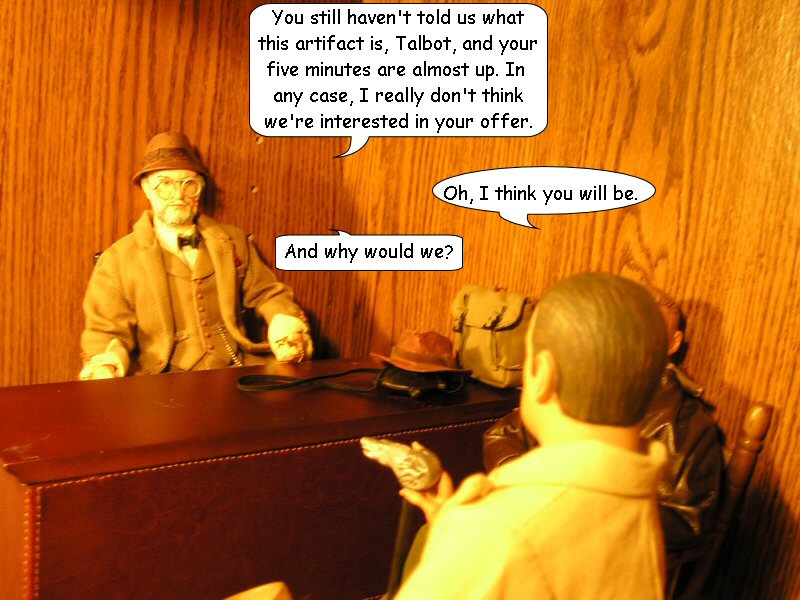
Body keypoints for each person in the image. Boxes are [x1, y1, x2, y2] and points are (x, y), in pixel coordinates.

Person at [396, 273, 669, 599]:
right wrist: (454, 537)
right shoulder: (637, 494)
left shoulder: (496, 530)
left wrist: (468, 540)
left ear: (542, 374)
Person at [482, 284, 723, 554]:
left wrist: (587, 511)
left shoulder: (686, 424)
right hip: (534, 530)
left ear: (674, 343)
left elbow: (689, 522)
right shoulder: (584, 391)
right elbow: (501, 434)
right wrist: (533, 489)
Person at [80, 132, 312, 379]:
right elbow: (106, 331)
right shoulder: (118, 260)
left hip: (234, 372)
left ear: (200, 188)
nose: (178, 195)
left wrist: (283, 325)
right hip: (162, 381)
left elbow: (266, 292)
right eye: (165, 184)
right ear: (146, 188)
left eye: (188, 184)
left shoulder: (233, 242)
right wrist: (106, 364)